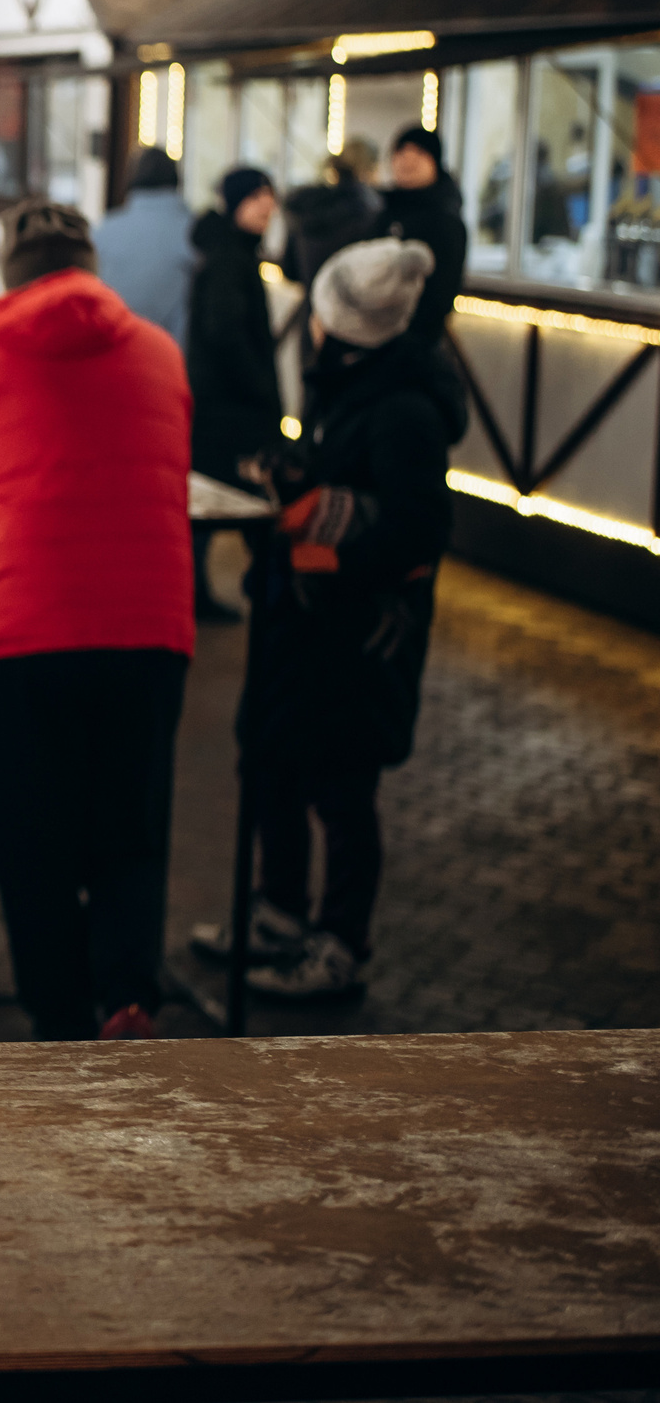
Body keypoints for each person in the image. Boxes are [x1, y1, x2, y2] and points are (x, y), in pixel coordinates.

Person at [0, 203, 194, 1041]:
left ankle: (59, 1015)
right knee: (132, 828)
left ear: (10, 268)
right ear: (91, 267)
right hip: (151, 626)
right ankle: (127, 997)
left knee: (33, 838)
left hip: (26, 627)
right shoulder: (160, 349)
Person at [202, 236, 465, 1001]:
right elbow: (343, 476)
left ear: (343, 324)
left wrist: (325, 536)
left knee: (342, 787)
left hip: (358, 636)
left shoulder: (404, 409)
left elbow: (418, 527)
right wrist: (298, 481)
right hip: (303, 624)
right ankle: (280, 911)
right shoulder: (350, 382)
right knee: (272, 758)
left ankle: (342, 943)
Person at [188, 168, 285, 623]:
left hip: (222, 405)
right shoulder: (231, 258)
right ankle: (272, 592)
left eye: (270, 195)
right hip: (230, 409)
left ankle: (212, 592)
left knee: (224, 502)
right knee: (255, 504)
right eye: (255, 196)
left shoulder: (230, 253)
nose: (266, 205)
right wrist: (260, 386)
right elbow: (224, 330)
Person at [92, 148, 200, 348]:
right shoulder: (194, 232)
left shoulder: (105, 231)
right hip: (173, 360)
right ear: (176, 180)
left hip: (114, 354)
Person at [384, 126, 468, 346]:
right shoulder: (383, 209)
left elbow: (441, 294)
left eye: (419, 153)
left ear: (435, 163)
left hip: (414, 344)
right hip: (372, 338)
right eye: (401, 152)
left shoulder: (445, 219)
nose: (407, 160)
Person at [280, 144, 386, 292]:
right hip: (355, 309)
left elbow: (290, 270)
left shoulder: (305, 206)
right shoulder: (370, 211)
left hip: (314, 308)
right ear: (368, 170)